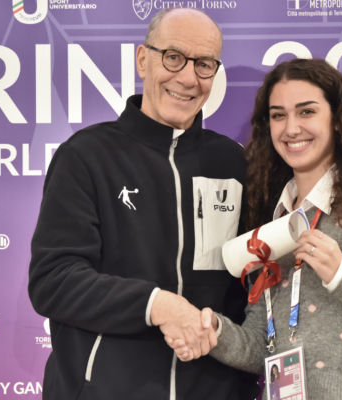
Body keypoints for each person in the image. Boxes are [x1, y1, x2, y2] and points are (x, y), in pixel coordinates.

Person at [167, 58, 342, 399]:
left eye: (307, 111)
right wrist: (215, 331)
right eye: (278, 115)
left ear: (338, 120)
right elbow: (262, 346)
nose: (291, 128)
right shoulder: (271, 221)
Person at [29, 8, 257, 400]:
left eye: (204, 64)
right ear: (142, 59)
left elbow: (249, 290)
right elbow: (54, 280)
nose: (188, 78)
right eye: (173, 57)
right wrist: (158, 305)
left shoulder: (234, 163)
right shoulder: (86, 155)